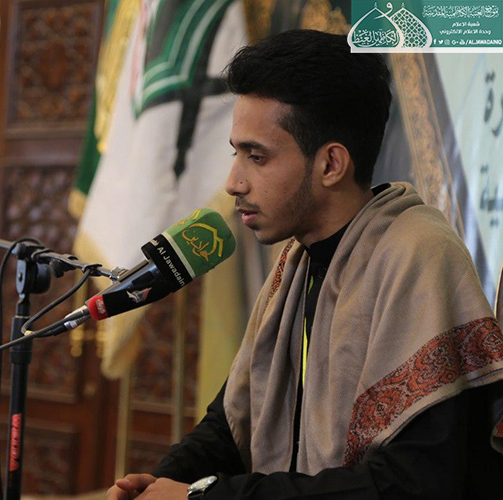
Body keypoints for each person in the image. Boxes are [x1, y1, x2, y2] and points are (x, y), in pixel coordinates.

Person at [107, 30, 503, 499]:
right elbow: (230, 423)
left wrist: (203, 497)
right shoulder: (295, 263)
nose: (234, 181)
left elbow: (408, 482)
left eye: (257, 157)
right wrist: (159, 481)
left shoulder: (417, 255)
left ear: (331, 164)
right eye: (236, 153)